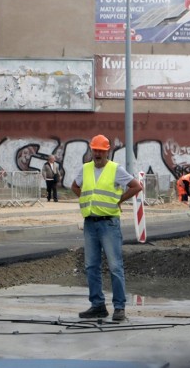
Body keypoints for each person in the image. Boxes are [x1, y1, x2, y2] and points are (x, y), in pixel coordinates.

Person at [71, 134, 143, 321]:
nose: (97, 153)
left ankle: (119, 307)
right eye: (95, 150)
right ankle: (98, 306)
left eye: (101, 151)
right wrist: (87, 200)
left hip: (109, 223)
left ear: (107, 151)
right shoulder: (85, 169)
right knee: (91, 266)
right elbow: (74, 186)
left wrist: (118, 200)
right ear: (91, 150)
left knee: (114, 266)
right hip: (90, 223)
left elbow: (136, 186)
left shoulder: (115, 169)